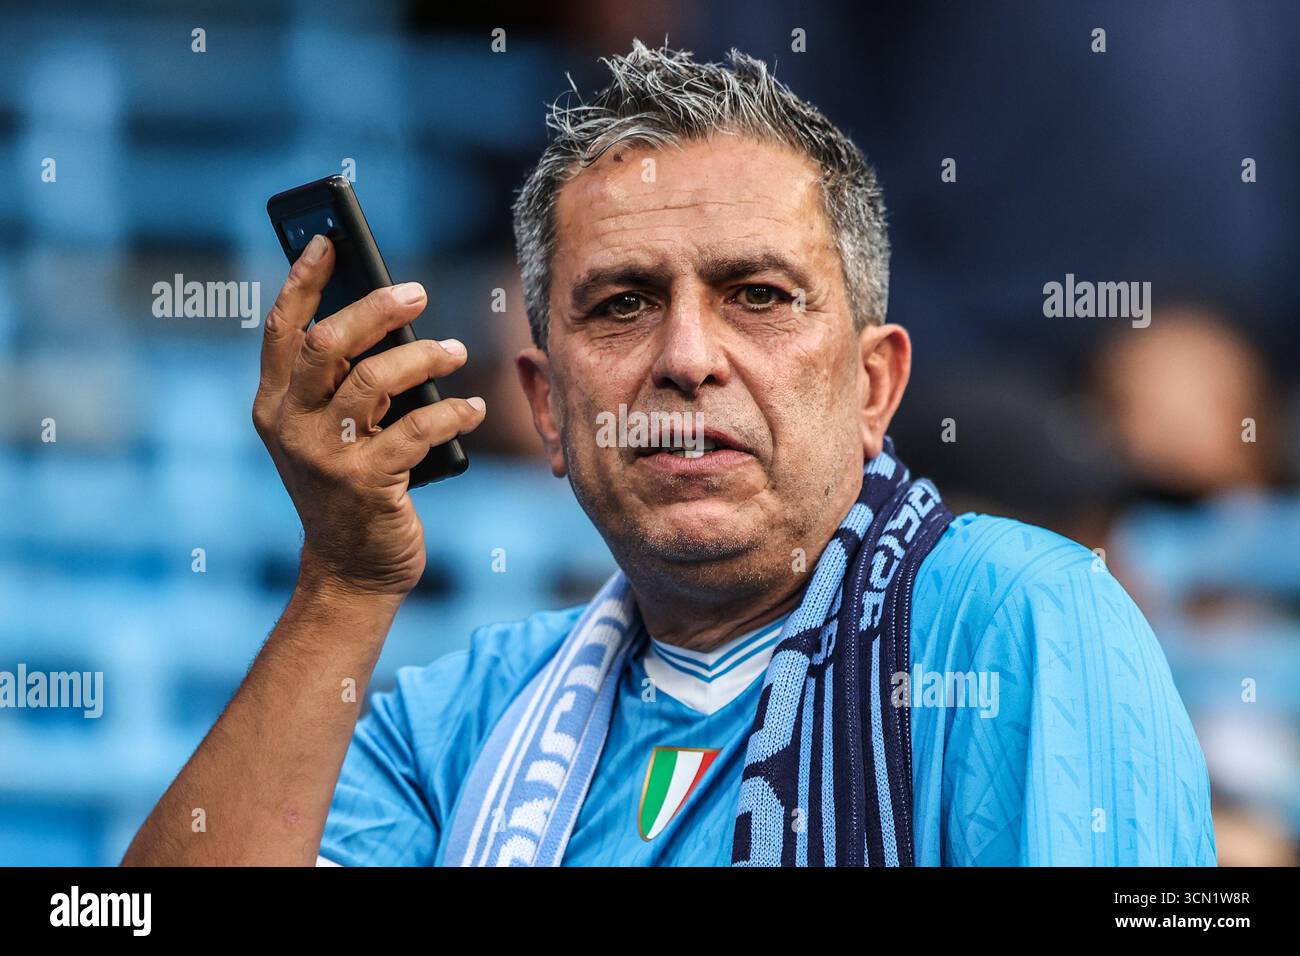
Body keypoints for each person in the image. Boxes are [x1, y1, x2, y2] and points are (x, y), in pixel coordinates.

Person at [122, 42, 1214, 867]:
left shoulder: (1020, 618)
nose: (688, 357)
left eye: (756, 295)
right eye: (622, 304)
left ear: (873, 384)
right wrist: (342, 584)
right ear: (547, 412)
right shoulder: (450, 723)